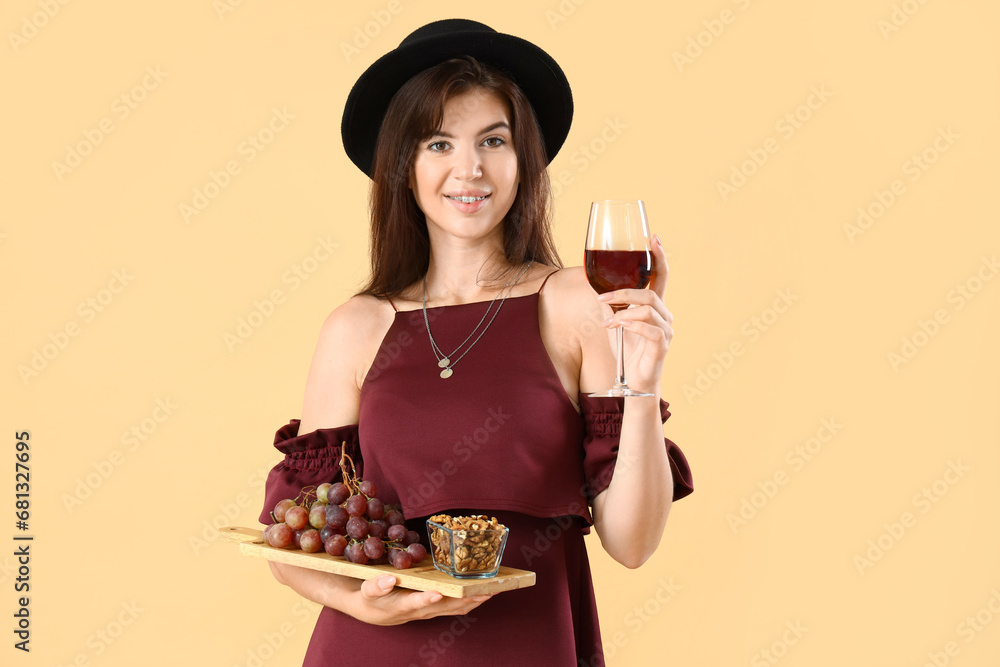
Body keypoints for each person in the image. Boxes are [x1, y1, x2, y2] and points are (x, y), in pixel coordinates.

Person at [258, 18, 693, 666]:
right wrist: (358, 602)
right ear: (404, 165)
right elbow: (291, 539)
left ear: (525, 158)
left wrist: (644, 380)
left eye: (494, 140)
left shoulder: (578, 304)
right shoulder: (356, 327)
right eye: (439, 144)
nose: (470, 168)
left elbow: (632, 542)